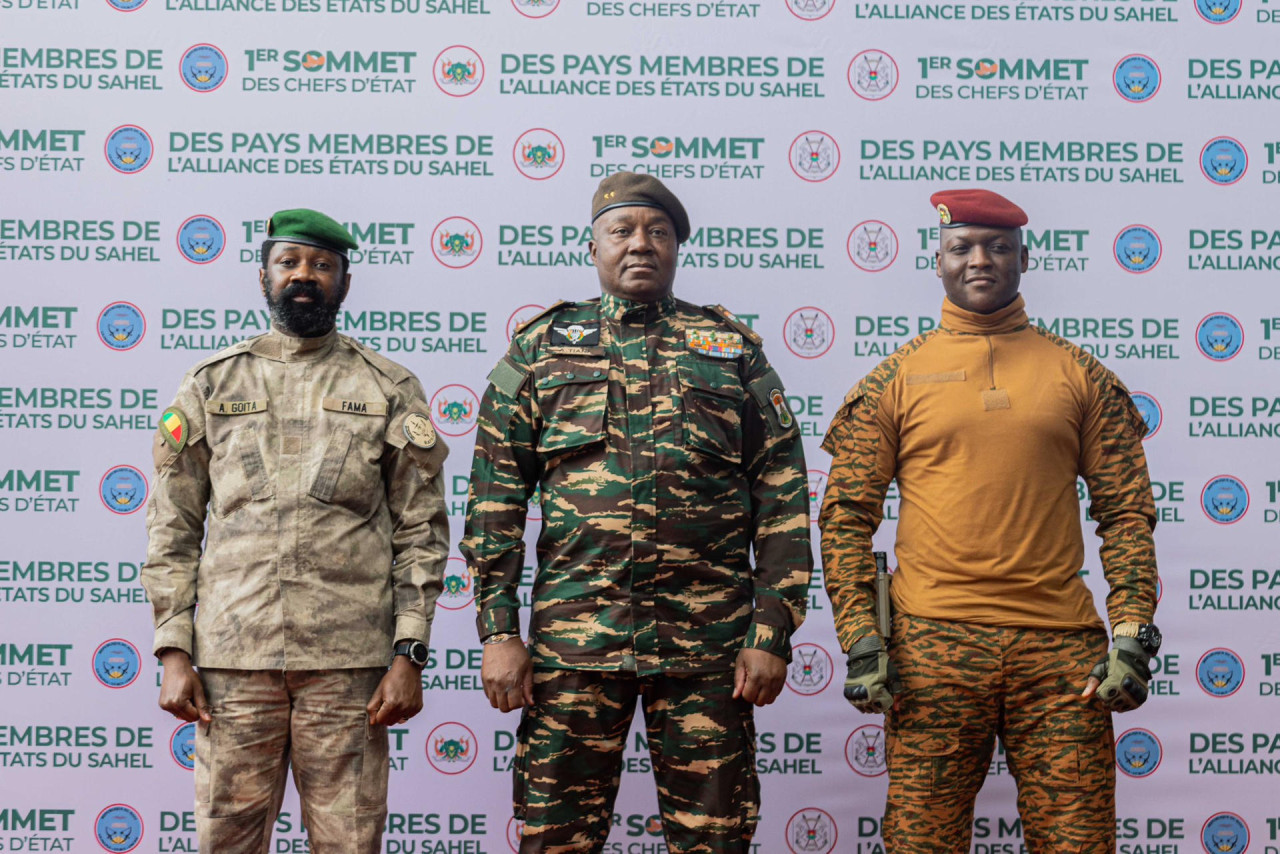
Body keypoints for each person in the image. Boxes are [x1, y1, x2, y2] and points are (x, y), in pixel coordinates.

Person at [461, 173, 812, 853]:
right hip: (574, 647)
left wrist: (772, 629)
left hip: (708, 648)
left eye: (658, 232)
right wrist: (498, 632)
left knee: (715, 841)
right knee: (555, 841)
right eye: (622, 231)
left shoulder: (730, 352)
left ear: (677, 247)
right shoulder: (541, 350)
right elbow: (495, 499)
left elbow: (783, 496)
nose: (640, 245)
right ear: (593, 248)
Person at [819, 189, 1161, 853]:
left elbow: (1126, 515)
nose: (981, 260)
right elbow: (844, 518)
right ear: (939, 261)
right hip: (930, 652)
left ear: (1023, 258)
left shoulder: (1082, 376)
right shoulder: (896, 378)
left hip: (1062, 656)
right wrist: (862, 637)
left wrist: (1132, 634)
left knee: (1080, 845)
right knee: (923, 846)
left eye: (998, 247)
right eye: (962, 248)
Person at [142, 208, 450, 853]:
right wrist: (173, 650)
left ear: (344, 280)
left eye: (321, 265)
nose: (303, 276)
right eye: (289, 263)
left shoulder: (388, 387)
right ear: (263, 276)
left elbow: (421, 532)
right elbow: (172, 525)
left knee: (350, 843)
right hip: (234, 662)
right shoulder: (211, 384)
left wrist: (408, 653)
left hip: (349, 668)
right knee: (227, 843)